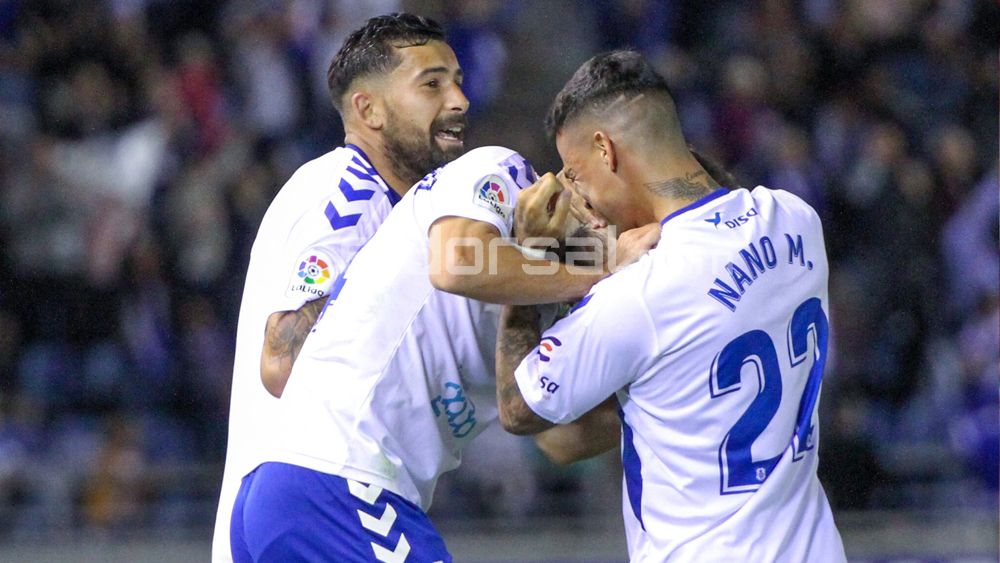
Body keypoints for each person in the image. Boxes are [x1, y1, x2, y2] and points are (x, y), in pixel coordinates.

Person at [494, 50, 847, 562]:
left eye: (575, 174)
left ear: (605, 150)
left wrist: (529, 258)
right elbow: (716, 215)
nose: (581, 199)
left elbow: (519, 407)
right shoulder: (796, 220)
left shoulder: (638, 293)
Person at [228, 140, 658, 561]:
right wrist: (601, 272)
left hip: (300, 488)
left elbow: (559, 439)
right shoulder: (501, 174)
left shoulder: (564, 309)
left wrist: (665, 387)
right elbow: (454, 265)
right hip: (339, 478)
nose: (612, 230)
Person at [213, 13, 470, 562]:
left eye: (457, 81)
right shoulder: (349, 195)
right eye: (432, 84)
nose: (457, 101)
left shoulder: (400, 212)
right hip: (319, 511)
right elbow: (281, 360)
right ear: (367, 109)